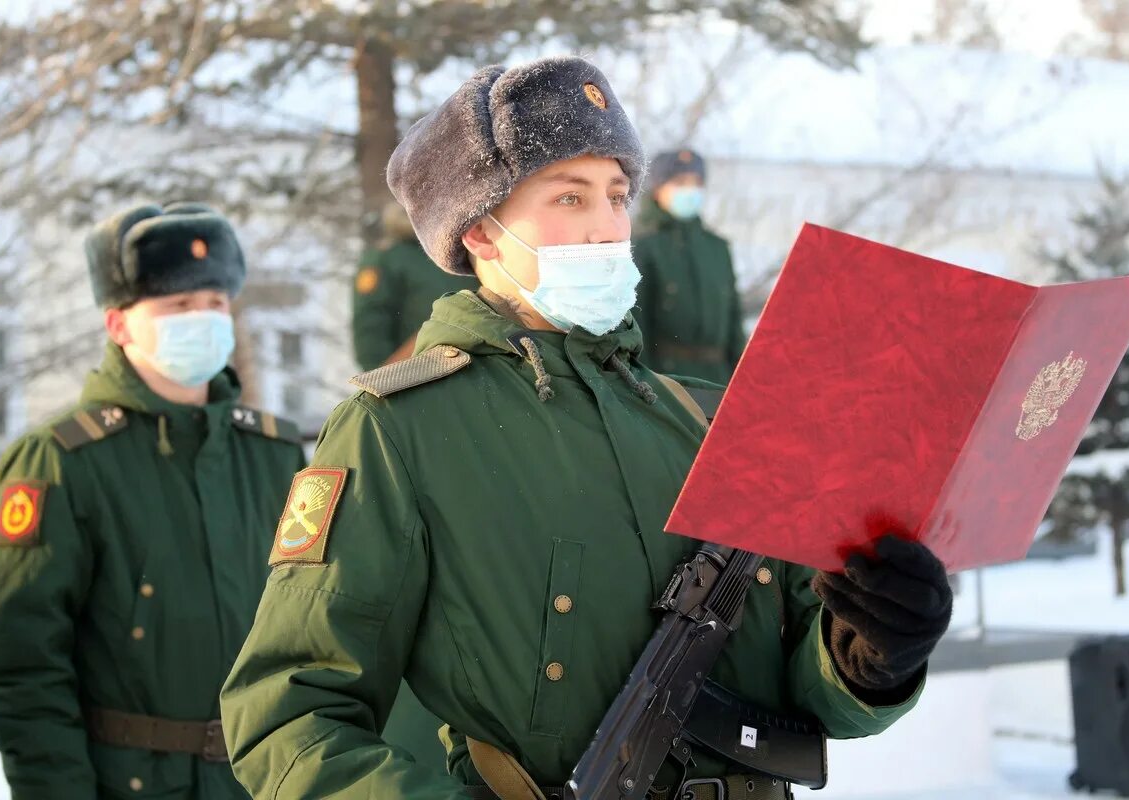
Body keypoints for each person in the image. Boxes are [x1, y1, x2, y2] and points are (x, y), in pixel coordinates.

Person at [220, 57, 952, 800]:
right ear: (480, 231)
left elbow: (805, 683)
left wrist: (873, 651)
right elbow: (289, 716)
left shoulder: (706, 419)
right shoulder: (401, 430)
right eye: (569, 198)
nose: (607, 228)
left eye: (616, 196)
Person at [0, 203, 306, 800]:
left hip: (262, 782)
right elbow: (19, 663)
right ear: (119, 325)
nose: (202, 319)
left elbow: (314, 631)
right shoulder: (64, 460)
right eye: (178, 306)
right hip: (129, 783)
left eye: (215, 303)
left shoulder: (272, 453)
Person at [632, 149, 745, 383]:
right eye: (680, 182)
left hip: (719, 378)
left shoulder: (717, 248)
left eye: (696, 183)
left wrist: (741, 377)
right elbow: (637, 326)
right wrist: (648, 386)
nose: (690, 190)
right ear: (658, 188)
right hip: (667, 379)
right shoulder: (643, 245)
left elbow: (734, 320)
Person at [352, 200, 477, 369]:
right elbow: (370, 321)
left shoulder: (464, 247)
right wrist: (380, 376)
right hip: (418, 367)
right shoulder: (385, 259)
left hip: (475, 360)